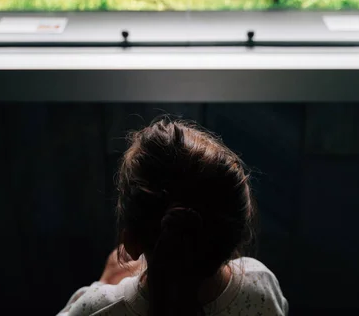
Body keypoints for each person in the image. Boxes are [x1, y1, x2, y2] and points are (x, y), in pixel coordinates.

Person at [57, 118, 288, 316]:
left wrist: (105, 282)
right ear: (236, 228)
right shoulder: (261, 288)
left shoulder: (98, 309)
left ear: (131, 243)